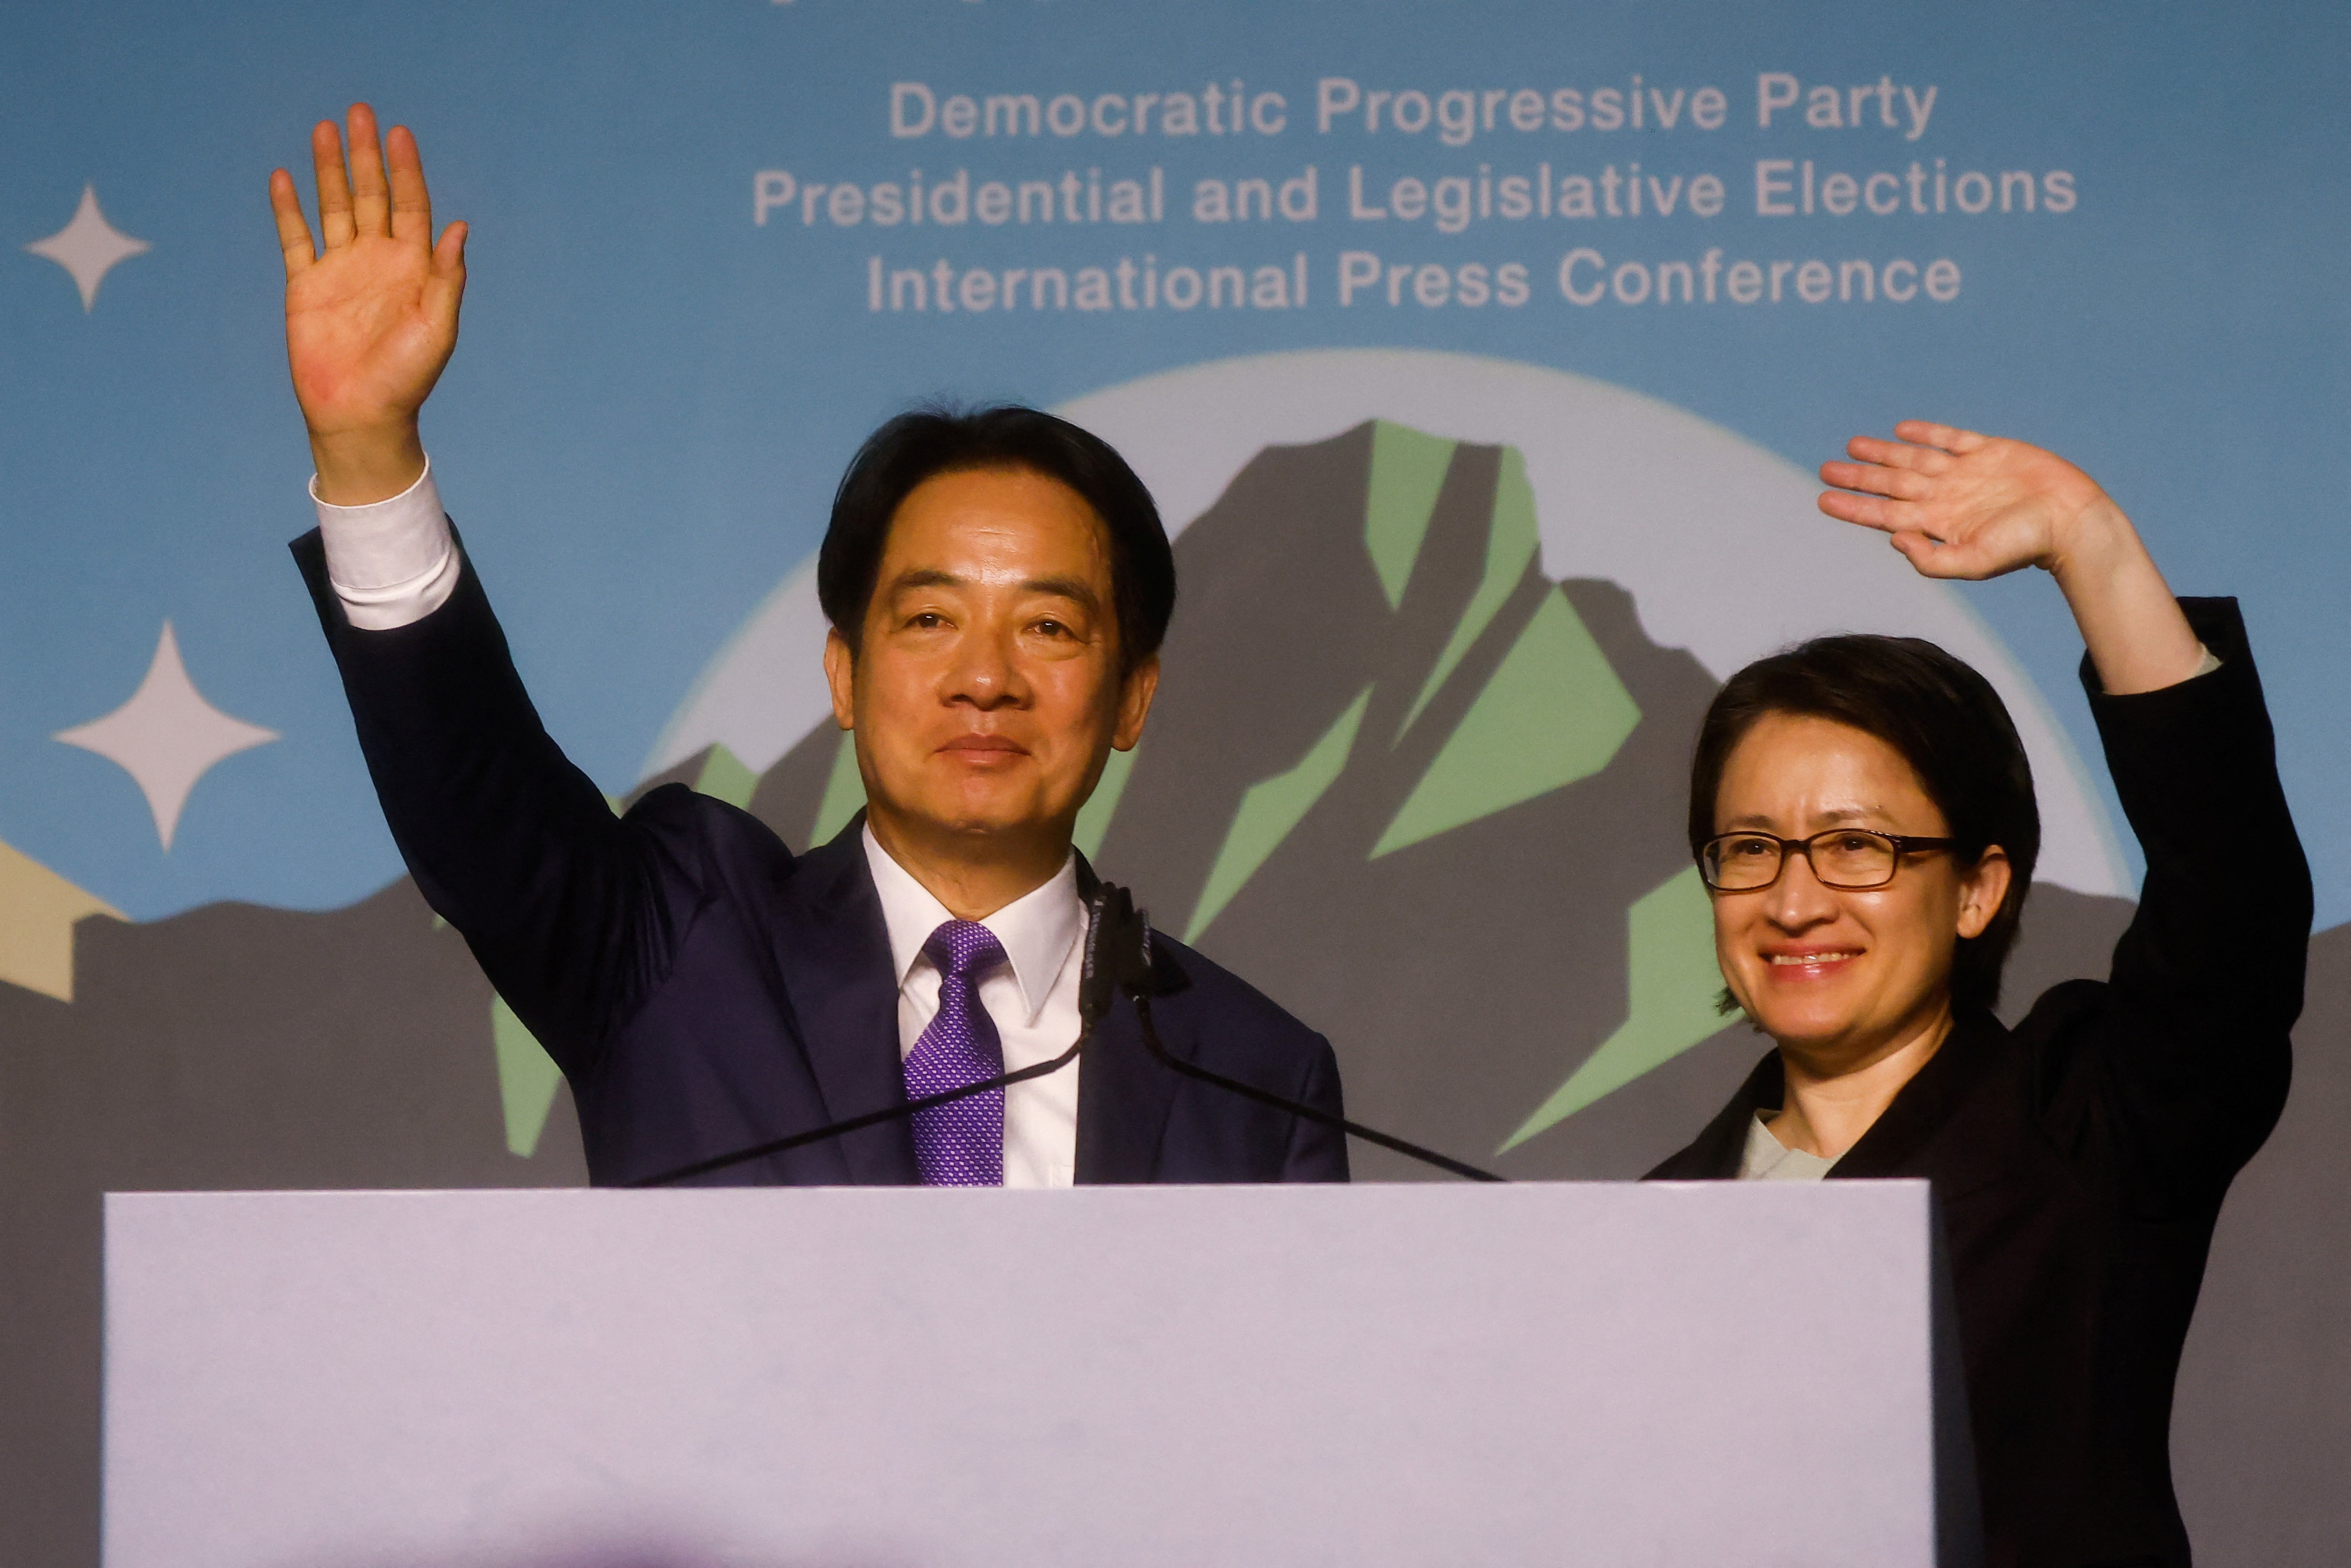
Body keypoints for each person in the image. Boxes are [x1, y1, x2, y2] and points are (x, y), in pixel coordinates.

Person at [268, 104, 1346, 1187]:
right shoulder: (680, 942)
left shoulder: (1254, 1074)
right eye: (930, 619)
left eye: (1049, 628)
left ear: (1131, 698)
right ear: (844, 671)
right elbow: (477, 812)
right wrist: (368, 450)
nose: (985, 679)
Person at [1649, 420, 2310, 1565]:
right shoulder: (1654, 1220)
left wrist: (2089, 547)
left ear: (1976, 890)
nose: (1794, 901)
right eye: (1750, 846)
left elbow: (2232, 909)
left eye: (1857, 847)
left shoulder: (2087, 1123)